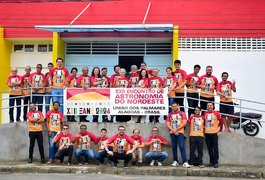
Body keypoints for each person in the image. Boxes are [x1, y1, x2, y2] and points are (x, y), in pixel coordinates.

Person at [165, 103, 191, 168]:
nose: (174, 107)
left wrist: (176, 129)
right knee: (174, 147)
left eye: (175, 106)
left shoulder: (182, 113)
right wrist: (173, 130)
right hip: (172, 132)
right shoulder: (169, 114)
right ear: (171, 107)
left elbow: (184, 123)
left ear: (178, 106)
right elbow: (167, 124)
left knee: (182, 147)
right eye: (173, 106)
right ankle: (175, 161)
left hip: (180, 132)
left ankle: (185, 162)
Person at [203, 102, 223, 168]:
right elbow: (202, 122)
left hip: (214, 133)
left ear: (213, 106)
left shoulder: (216, 113)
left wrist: (220, 130)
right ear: (206, 106)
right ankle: (211, 162)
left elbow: (221, 121)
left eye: (210, 105)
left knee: (215, 148)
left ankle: (216, 162)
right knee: (209, 149)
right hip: (207, 133)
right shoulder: (205, 113)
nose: (209, 106)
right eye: (208, 105)